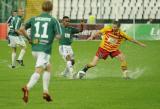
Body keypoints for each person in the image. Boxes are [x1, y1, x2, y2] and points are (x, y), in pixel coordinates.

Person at [20, 1, 62, 103]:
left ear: (42, 8)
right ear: (51, 9)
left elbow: (21, 29)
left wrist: (29, 39)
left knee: (48, 67)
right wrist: (53, 36)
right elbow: (58, 36)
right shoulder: (53, 20)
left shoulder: (34, 18)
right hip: (45, 50)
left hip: (35, 49)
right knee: (39, 70)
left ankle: (46, 91)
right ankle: (27, 87)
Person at [76, 21, 146, 79]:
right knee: (93, 64)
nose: (113, 28)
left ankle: (125, 75)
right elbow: (98, 32)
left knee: (123, 58)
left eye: (115, 27)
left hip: (113, 50)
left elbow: (131, 39)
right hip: (103, 49)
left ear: (118, 27)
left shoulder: (121, 33)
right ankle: (84, 69)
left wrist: (141, 44)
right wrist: (92, 36)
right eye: (113, 26)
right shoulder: (108, 28)